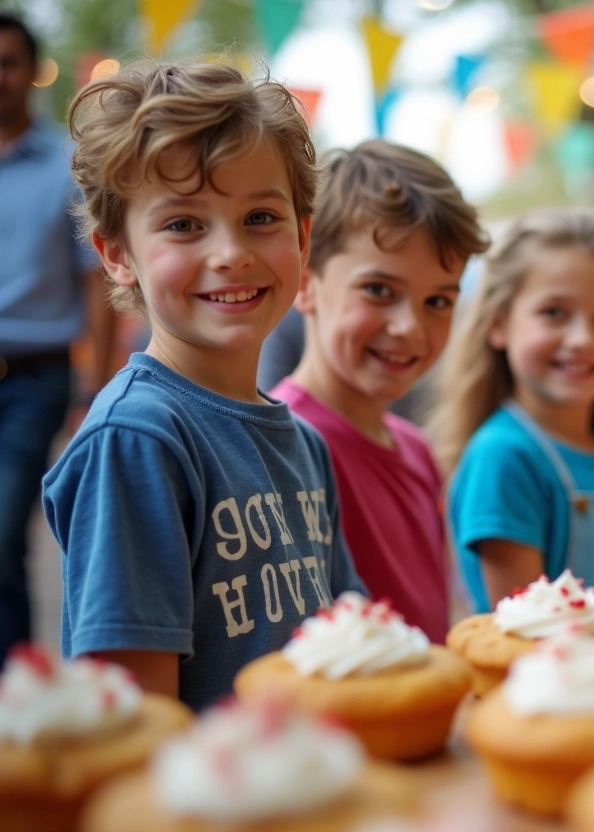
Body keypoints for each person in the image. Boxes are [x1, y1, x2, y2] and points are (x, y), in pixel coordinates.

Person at [42, 61, 364, 710]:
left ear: (302, 238)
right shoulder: (135, 441)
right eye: (185, 224)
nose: (230, 253)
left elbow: (349, 643)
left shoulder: (304, 443)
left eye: (261, 218)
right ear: (117, 254)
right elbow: (139, 716)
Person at [270, 140, 489, 642]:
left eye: (437, 300)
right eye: (379, 291)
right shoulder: (282, 449)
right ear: (305, 281)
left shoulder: (417, 450)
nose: (409, 327)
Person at [431, 208, 594, 614]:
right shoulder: (503, 457)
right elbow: (526, 636)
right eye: (554, 312)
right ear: (498, 323)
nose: (582, 339)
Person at [0, 12, 115, 661]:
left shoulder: (64, 169)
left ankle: (17, 696)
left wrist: (94, 387)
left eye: (8, 61)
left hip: (34, 377)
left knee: (1, 539)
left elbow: (95, 284)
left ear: (31, 73)